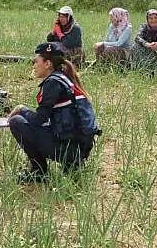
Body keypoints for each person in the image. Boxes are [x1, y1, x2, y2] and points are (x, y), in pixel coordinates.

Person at [8, 42, 100, 184]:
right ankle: (71, 166)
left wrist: (21, 109)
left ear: (47, 64)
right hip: (79, 146)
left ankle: (39, 171)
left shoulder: (52, 83)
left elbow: (38, 119)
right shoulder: (64, 77)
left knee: (16, 122)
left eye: (36, 61)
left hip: (71, 149)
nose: (33, 65)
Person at [128, 9, 157, 73]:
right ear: (147, 19)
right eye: (151, 18)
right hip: (147, 50)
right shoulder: (144, 26)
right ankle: (141, 68)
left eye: (155, 18)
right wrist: (147, 44)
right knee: (134, 47)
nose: (153, 20)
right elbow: (137, 38)